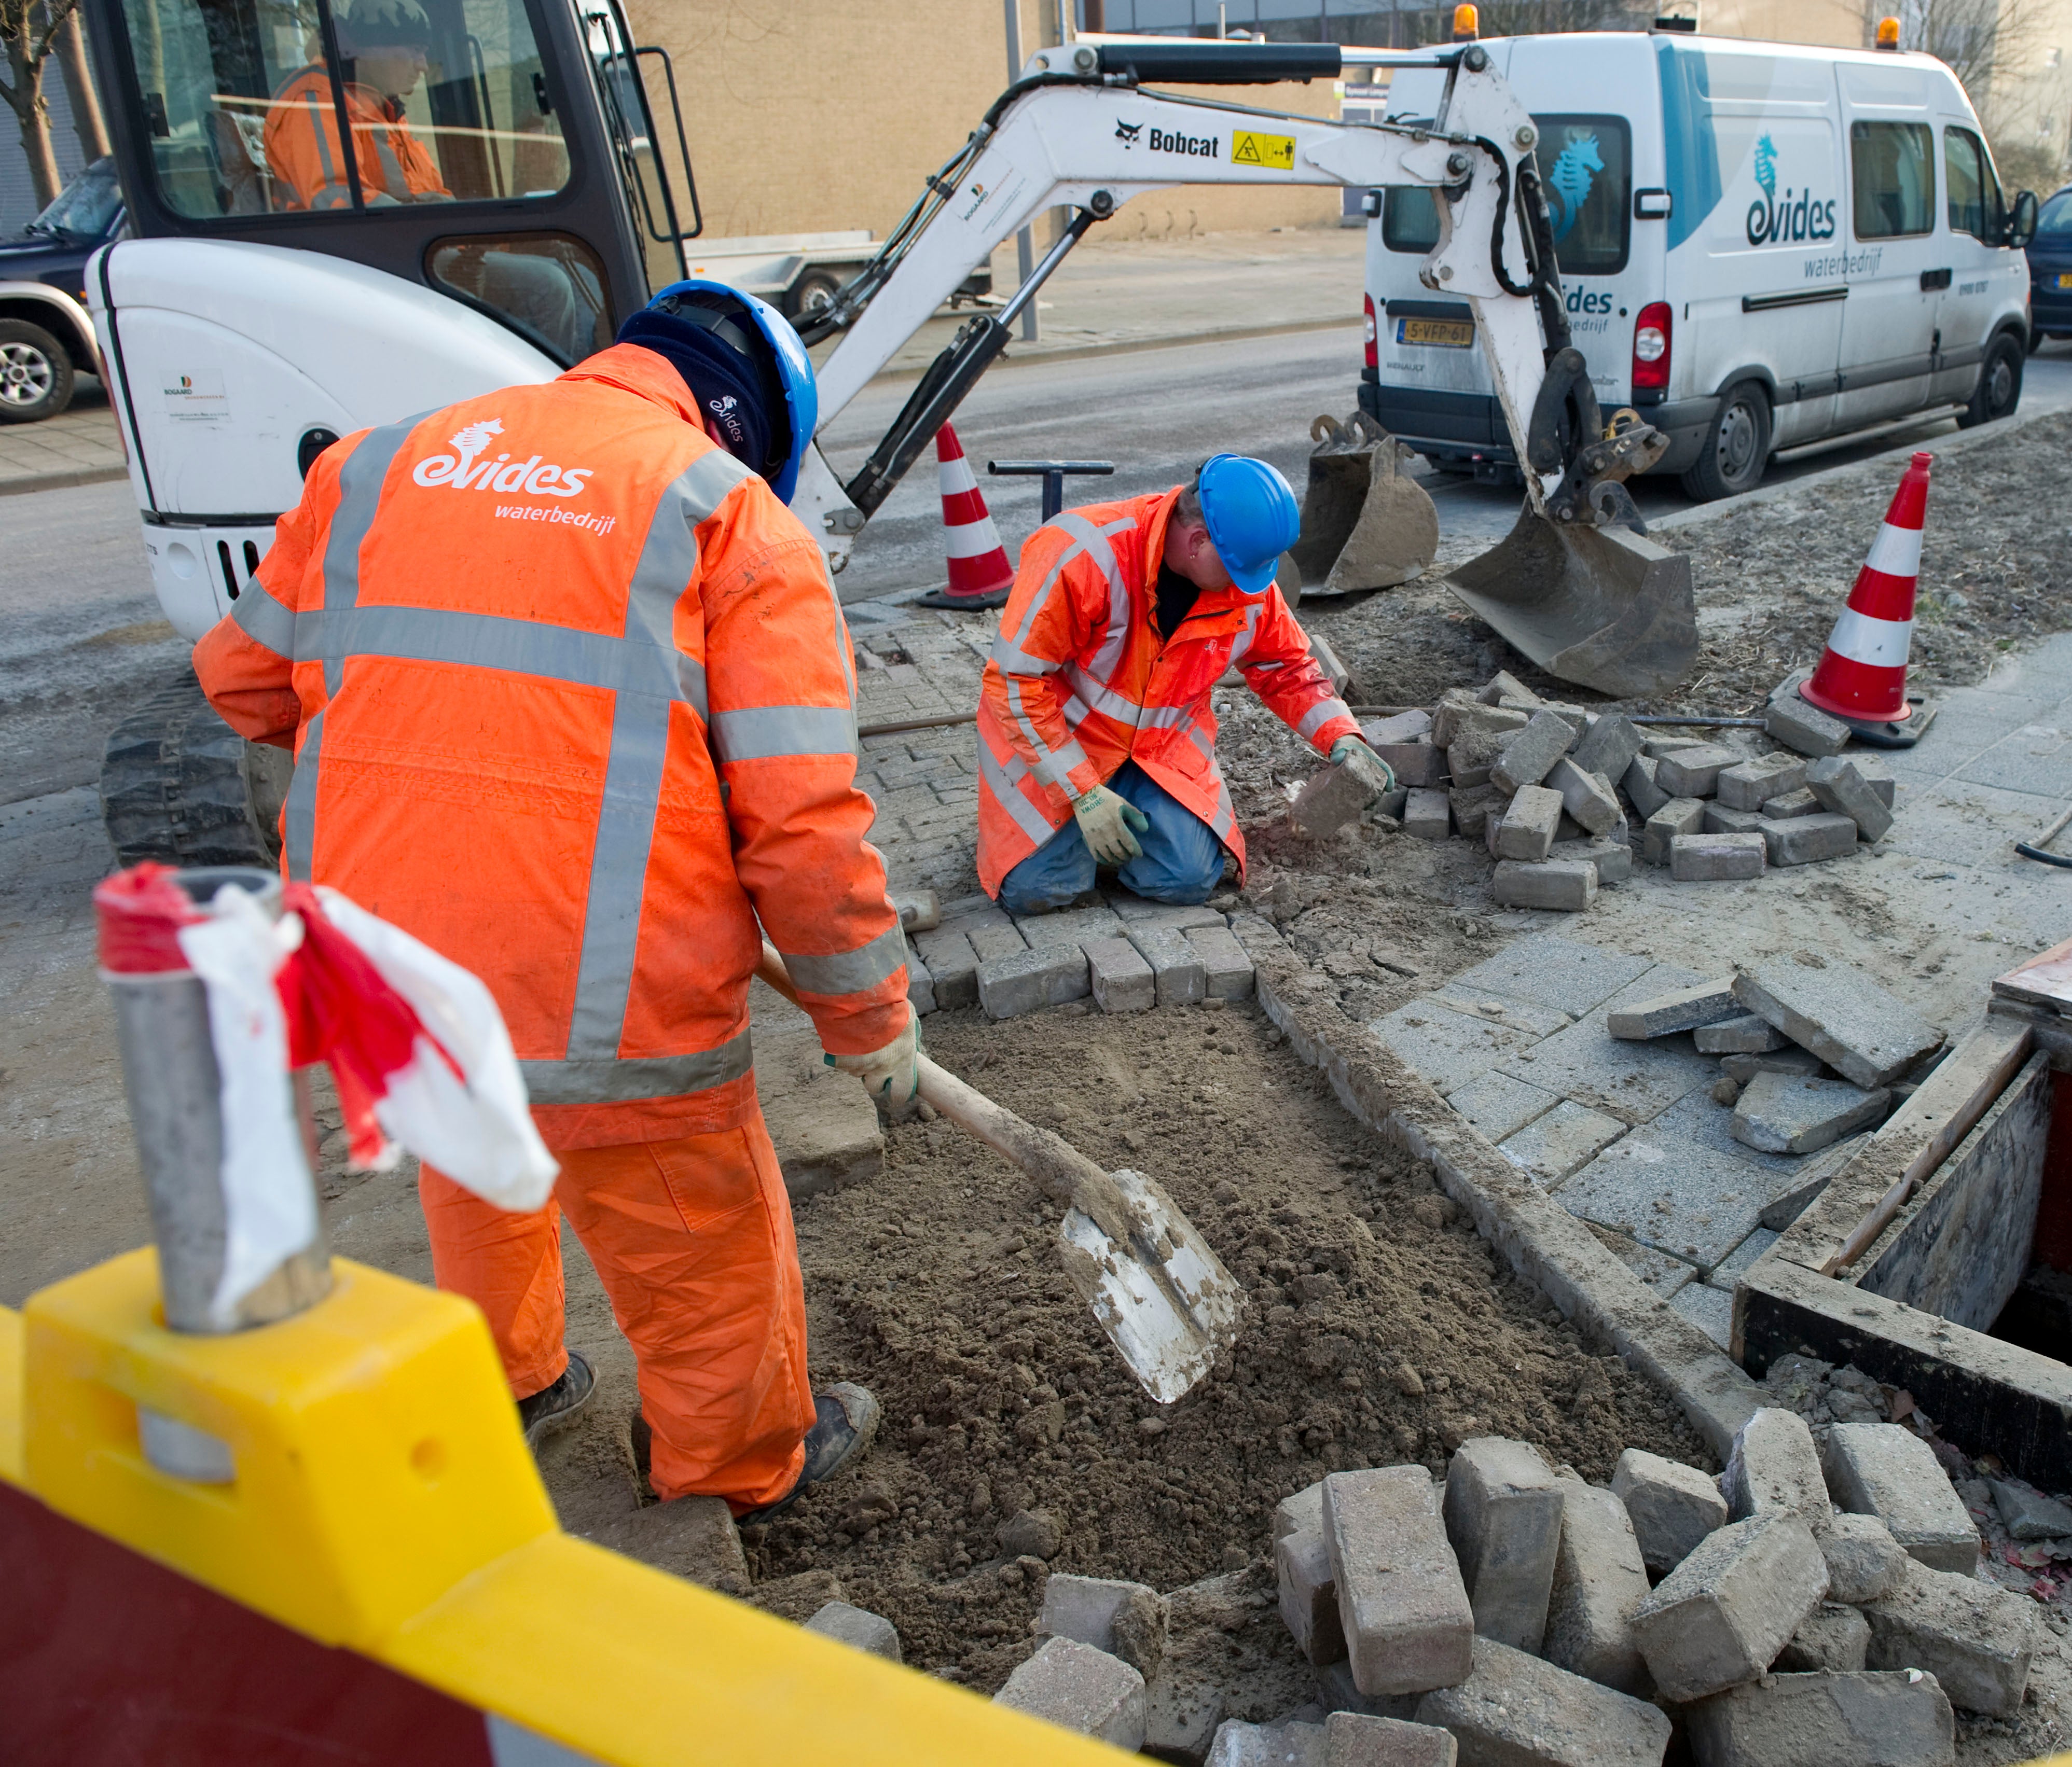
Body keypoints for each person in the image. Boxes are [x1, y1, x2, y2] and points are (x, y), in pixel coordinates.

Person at [193, 280, 915, 1520]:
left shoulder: (370, 468)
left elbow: (241, 682)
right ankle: (732, 1466)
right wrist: (869, 1017)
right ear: (744, 424)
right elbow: (800, 832)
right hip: (604, 990)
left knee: (475, 1156)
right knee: (696, 1237)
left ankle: (508, 1382)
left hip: (382, 970)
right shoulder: (728, 517)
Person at [974, 456, 1391, 913]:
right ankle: (1072, 838)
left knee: (1187, 879)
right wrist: (1084, 795)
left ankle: (1106, 836)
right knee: (1038, 891)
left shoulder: (1244, 580)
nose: (1251, 583)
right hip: (1064, 744)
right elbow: (1014, 681)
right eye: (1243, 567)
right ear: (1197, 541)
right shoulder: (1082, 554)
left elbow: (1287, 666)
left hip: (1157, 751)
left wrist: (1342, 736)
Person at [265, 0, 452, 210]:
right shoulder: (316, 101)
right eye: (415, 50)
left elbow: (427, 193)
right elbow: (337, 202)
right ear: (373, 48)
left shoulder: (382, 105)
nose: (423, 66)